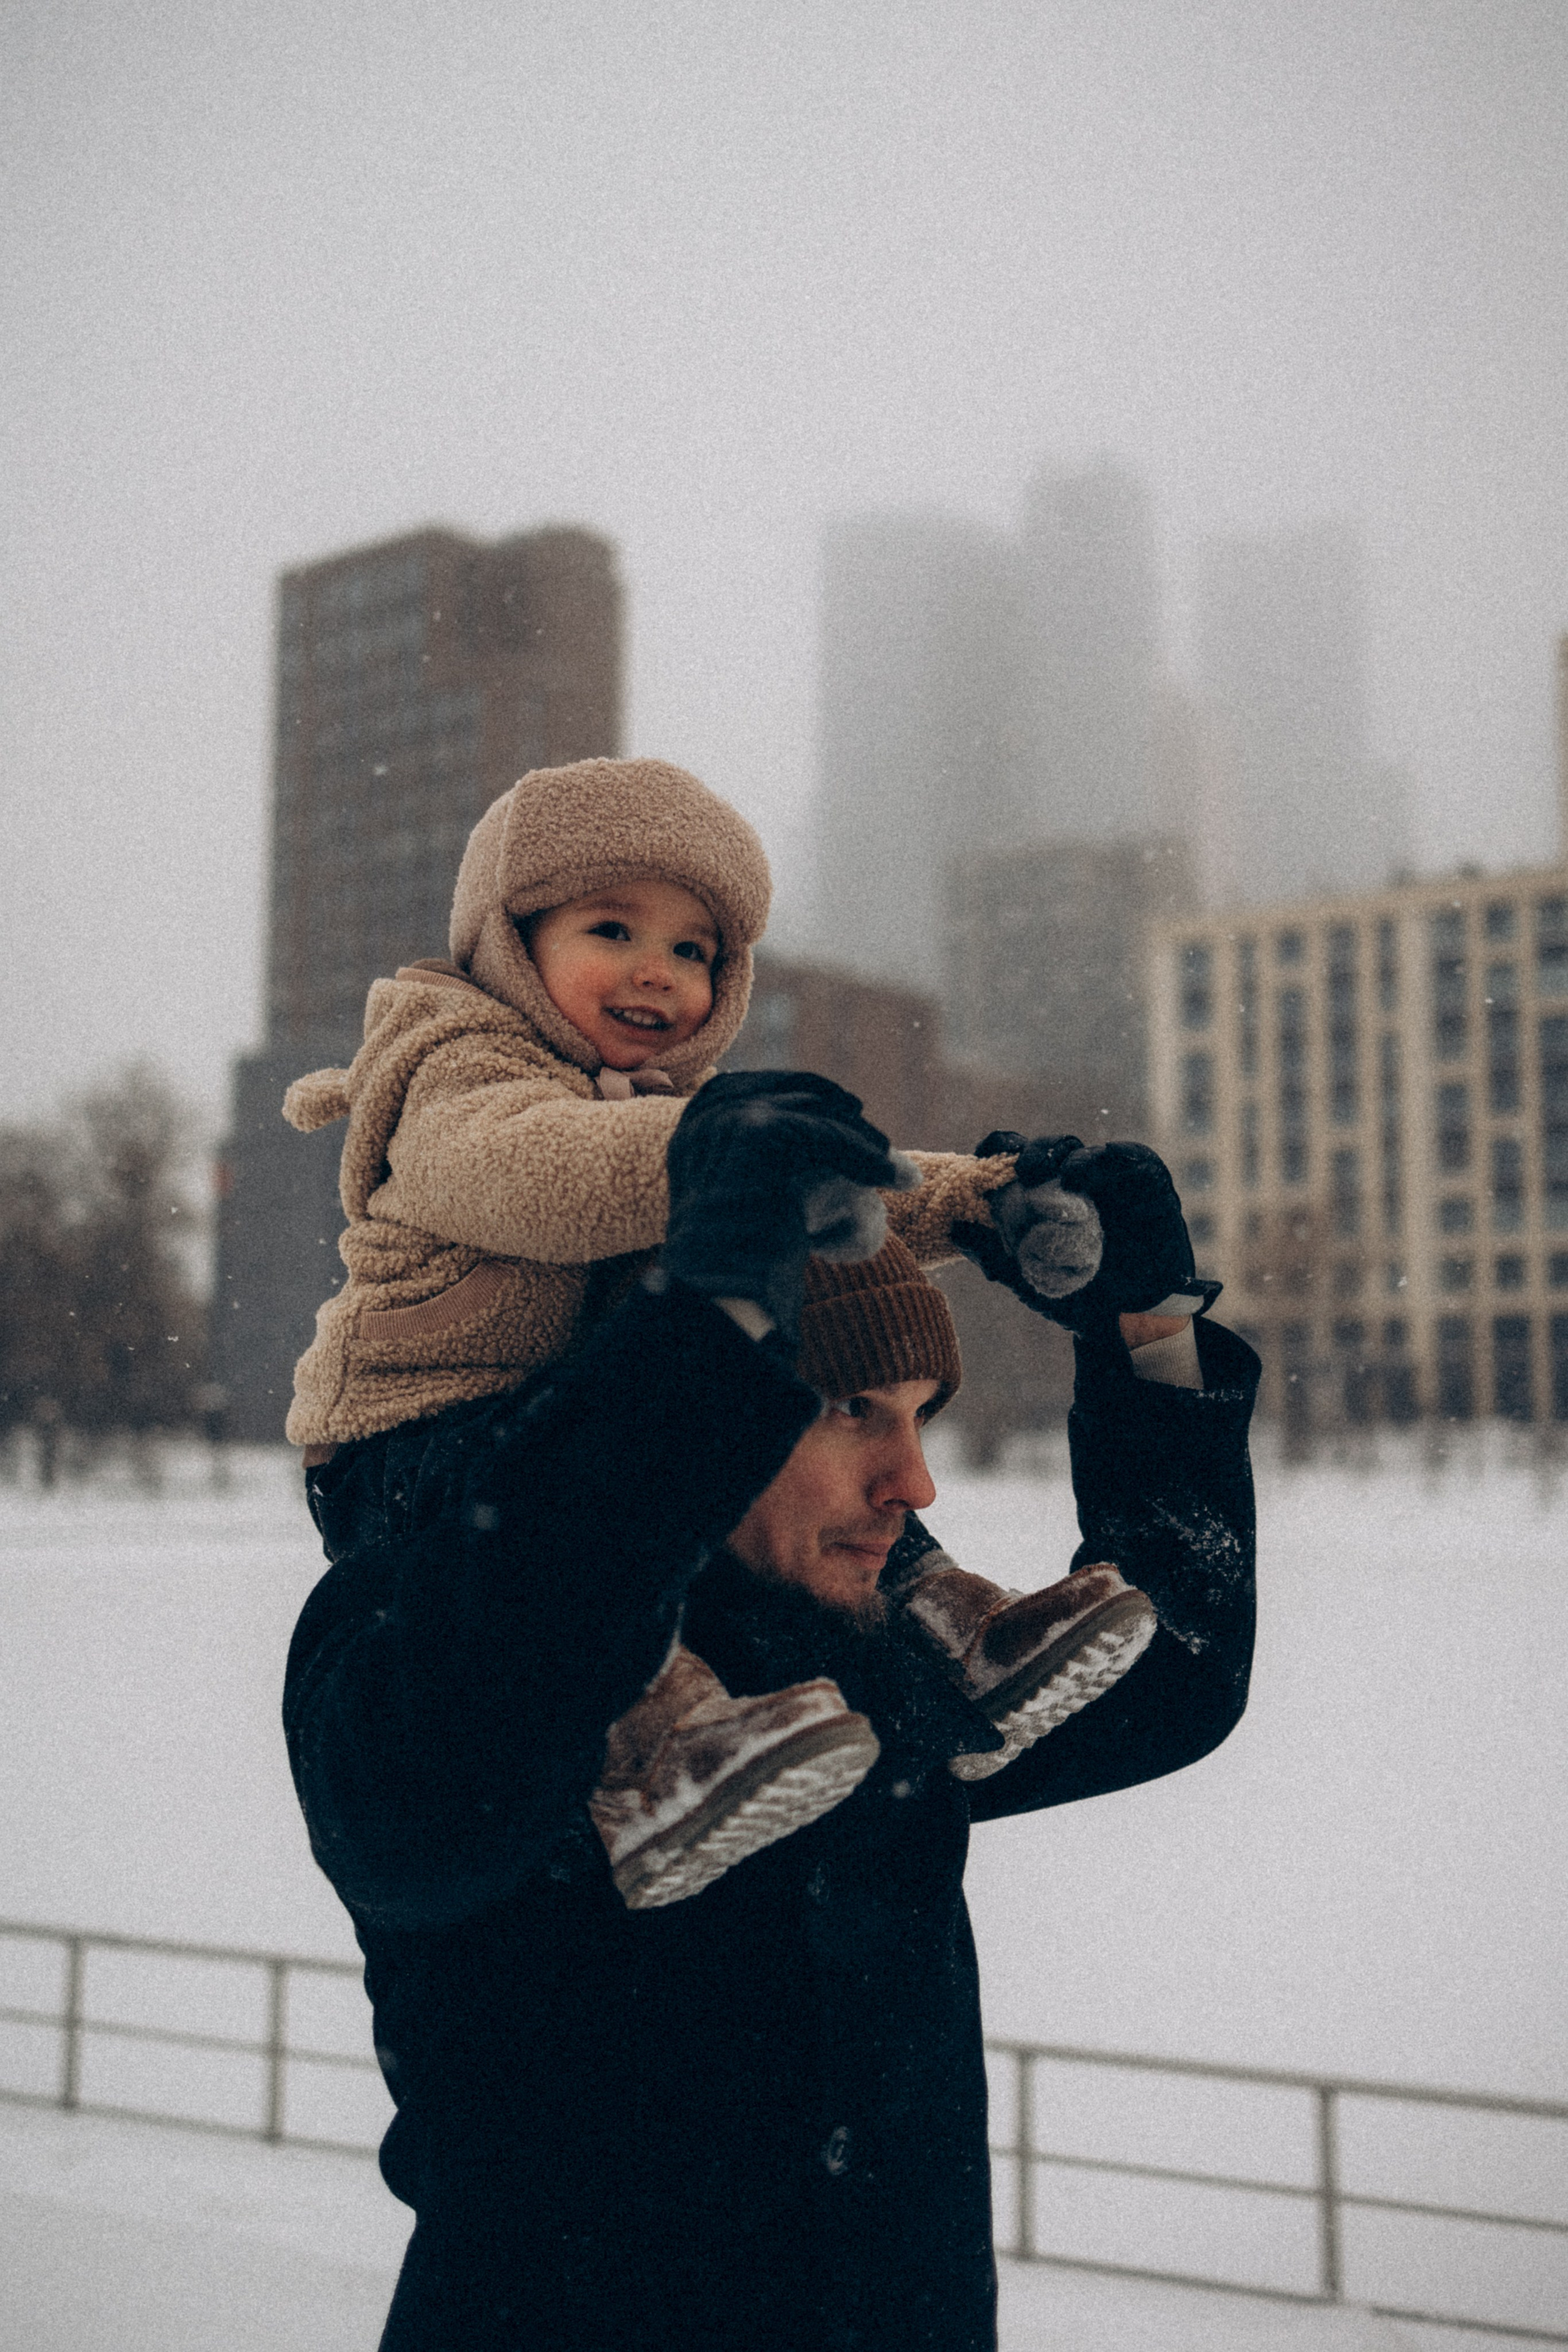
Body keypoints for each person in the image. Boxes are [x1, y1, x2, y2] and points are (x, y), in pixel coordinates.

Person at [284, 1072, 1258, 2352]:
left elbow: (1171, 1677)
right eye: (851, 1409)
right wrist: (701, 1325)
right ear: (707, 1390)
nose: (912, 1480)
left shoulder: (873, 1655)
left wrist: (1149, 1334)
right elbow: (448, 1782)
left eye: (918, 1417)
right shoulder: (427, 1633)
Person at [285, 757, 1160, 1909]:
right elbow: (542, 1173)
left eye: (695, 950)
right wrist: (718, 1157)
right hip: (414, 1440)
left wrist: (979, 1203)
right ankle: (657, 1753)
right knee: (599, 1511)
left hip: (567, 1425)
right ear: (509, 942)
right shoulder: (453, 1072)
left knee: (752, 1454)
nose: (659, 972)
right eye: (613, 929)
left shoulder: (661, 1115)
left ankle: (957, 1636)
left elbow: (813, 1187)